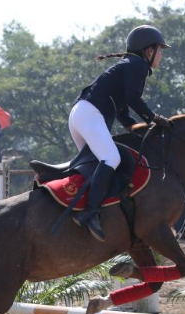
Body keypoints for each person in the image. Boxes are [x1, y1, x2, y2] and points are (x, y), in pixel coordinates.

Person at [67, 25, 172, 242]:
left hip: (80, 114)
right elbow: (134, 99)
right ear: (149, 51)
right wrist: (154, 119)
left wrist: (143, 131)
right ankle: (90, 212)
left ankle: (81, 206)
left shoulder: (128, 66)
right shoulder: (137, 65)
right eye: (160, 50)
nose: (161, 55)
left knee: (96, 167)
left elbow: (124, 114)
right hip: (89, 114)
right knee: (111, 158)